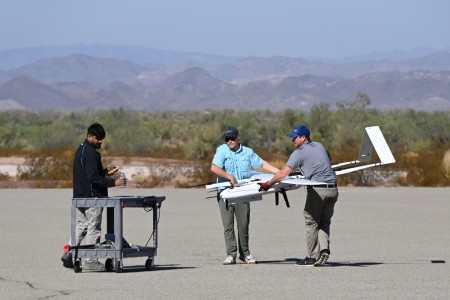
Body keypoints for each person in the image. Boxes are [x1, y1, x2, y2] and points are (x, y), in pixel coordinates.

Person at [259, 125, 338, 267]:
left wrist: (268, 184)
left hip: (318, 190)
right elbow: (328, 159)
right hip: (333, 189)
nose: (293, 141)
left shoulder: (299, 153)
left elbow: (283, 174)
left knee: (311, 221)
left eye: (295, 138)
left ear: (303, 137)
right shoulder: (320, 145)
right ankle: (324, 249)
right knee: (324, 222)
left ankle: (312, 257)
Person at [211, 126, 279, 265]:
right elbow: (214, 168)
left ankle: (245, 254)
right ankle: (231, 254)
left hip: (243, 192)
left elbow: (262, 164)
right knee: (228, 226)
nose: (229, 141)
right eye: (227, 139)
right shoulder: (222, 150)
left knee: (243, 224)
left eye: (232, 138)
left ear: (238, 137)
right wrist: (228, 176)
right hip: (225, 192)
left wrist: (279, 173)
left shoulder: (248, 152)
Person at [62, 122, 126, 271]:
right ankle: (90, 261)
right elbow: (93, 178)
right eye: (98, 138)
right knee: (94, 228)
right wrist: (113, 182)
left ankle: (69, 252)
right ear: (90, 136)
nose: (100, 141)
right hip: (92, 198)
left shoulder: (81, 149)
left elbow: (90, 174)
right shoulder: (91, 153)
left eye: (102, 139)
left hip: (79, 197)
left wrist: (104, 172)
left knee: (81, 226)